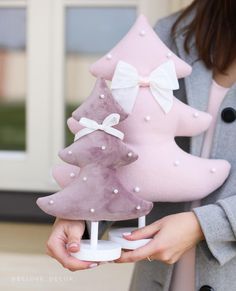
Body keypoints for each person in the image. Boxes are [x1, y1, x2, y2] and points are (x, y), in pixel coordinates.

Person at [46, 0, 236, 290]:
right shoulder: (173, 35)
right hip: (160, 279)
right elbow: (124, 146)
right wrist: (82, 213)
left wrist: (207, 224)